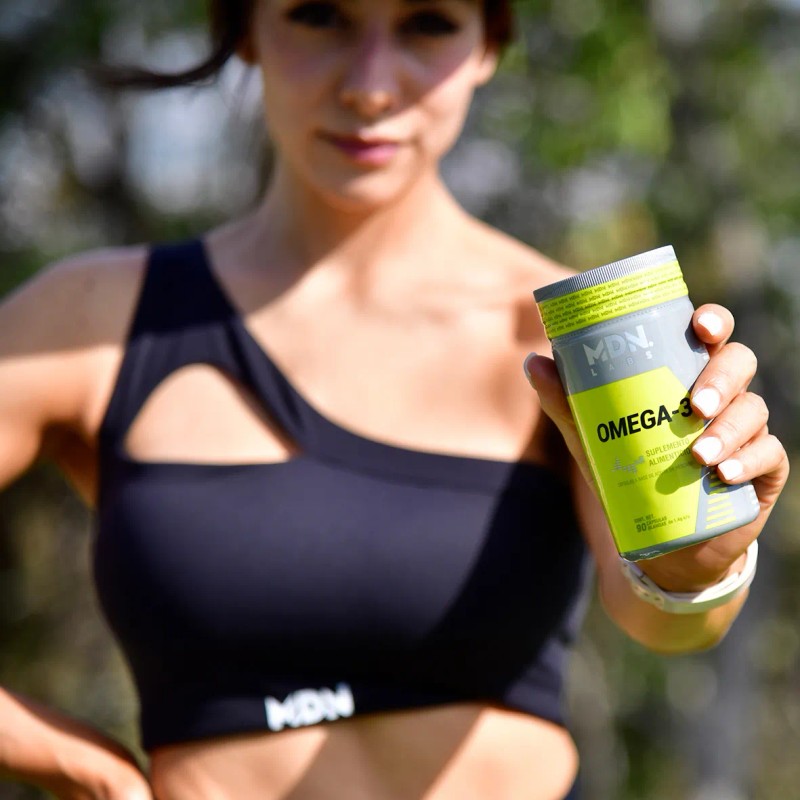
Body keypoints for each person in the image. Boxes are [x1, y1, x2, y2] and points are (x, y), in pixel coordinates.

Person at [0, 1, 789, 798]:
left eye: (428, 23)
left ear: (488, 45)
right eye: (319, 16)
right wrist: (80, 766)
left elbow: (667, 621)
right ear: (244, 28)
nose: (371, 86)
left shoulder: (574, 338)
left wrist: (701, 561)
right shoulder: (94, 321)